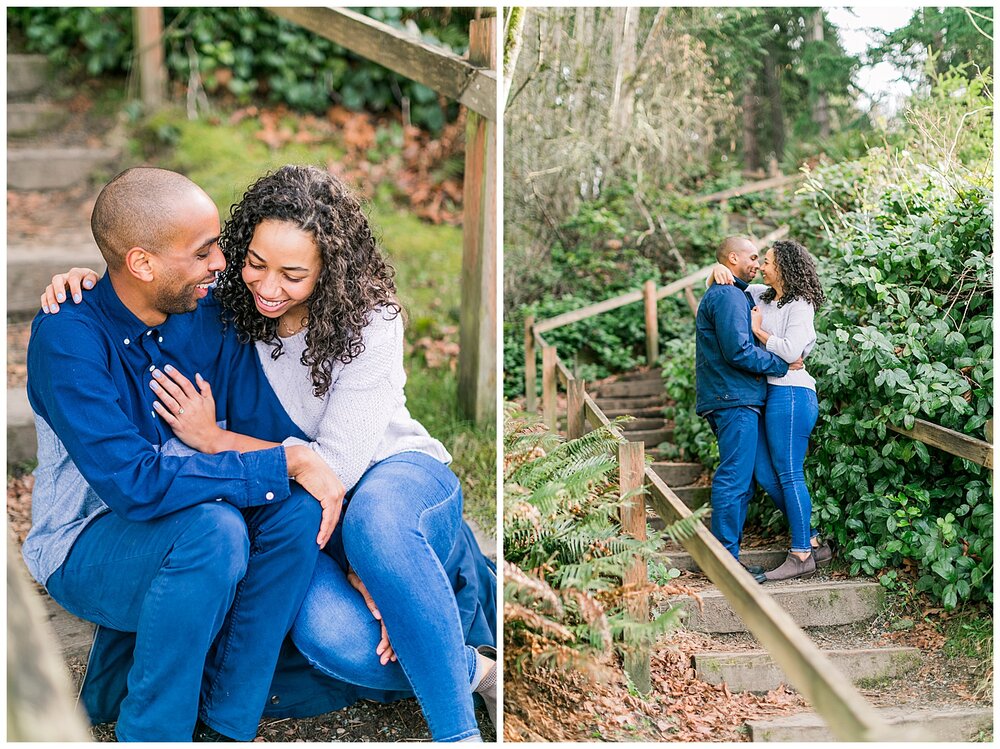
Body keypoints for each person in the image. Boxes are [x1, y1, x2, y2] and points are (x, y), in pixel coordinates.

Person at [44, 165, 497, 742]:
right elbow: (139, 300)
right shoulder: (226, 306)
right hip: (290, 514)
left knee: (372, 527)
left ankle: (459, 736)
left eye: (293, 274)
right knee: (327, 635)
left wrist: (219, 441)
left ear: (329, 271)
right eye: (252, 261)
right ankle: (470, 668)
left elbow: (333, 466)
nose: (261, 283)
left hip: (385, 481)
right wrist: (99, 286)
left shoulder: (363, 318)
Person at [24, 167, 345, 742]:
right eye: (203, 252)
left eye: (218, 245)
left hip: (193, 512)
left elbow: (315, 287)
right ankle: (153, 732)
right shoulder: (68, 338)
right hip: (85, 540)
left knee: (292, 511)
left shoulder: (206, 308)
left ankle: (226, 720)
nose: (222, 264)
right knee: (213, 528)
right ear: (142, 264)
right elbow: (136, 484)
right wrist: (286, 461)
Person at [708, 239, 829, 581]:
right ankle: (813, 537)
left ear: (785, 267)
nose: (761, 266)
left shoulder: (801, 304)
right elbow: (729, 282)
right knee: (763, 473)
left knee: (789, 473)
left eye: (769, 262)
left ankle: (801, 552)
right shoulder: (762, 294)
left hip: (792, 392)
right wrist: (713, 271)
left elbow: (792, 352)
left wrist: (759, 332)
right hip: (769, 394)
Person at [694, 236, 800, 569]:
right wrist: (780, 364)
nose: (756, 263)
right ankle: (725, 562)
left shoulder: (735, 292)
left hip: (735, 397)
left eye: (760, 259)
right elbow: (738, 351)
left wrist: (714, 271)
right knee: (735, 480)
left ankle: (729, 558)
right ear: (732, 257)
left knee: (745, 479)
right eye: (752, 257)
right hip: (733, 399)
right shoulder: (727, 295)